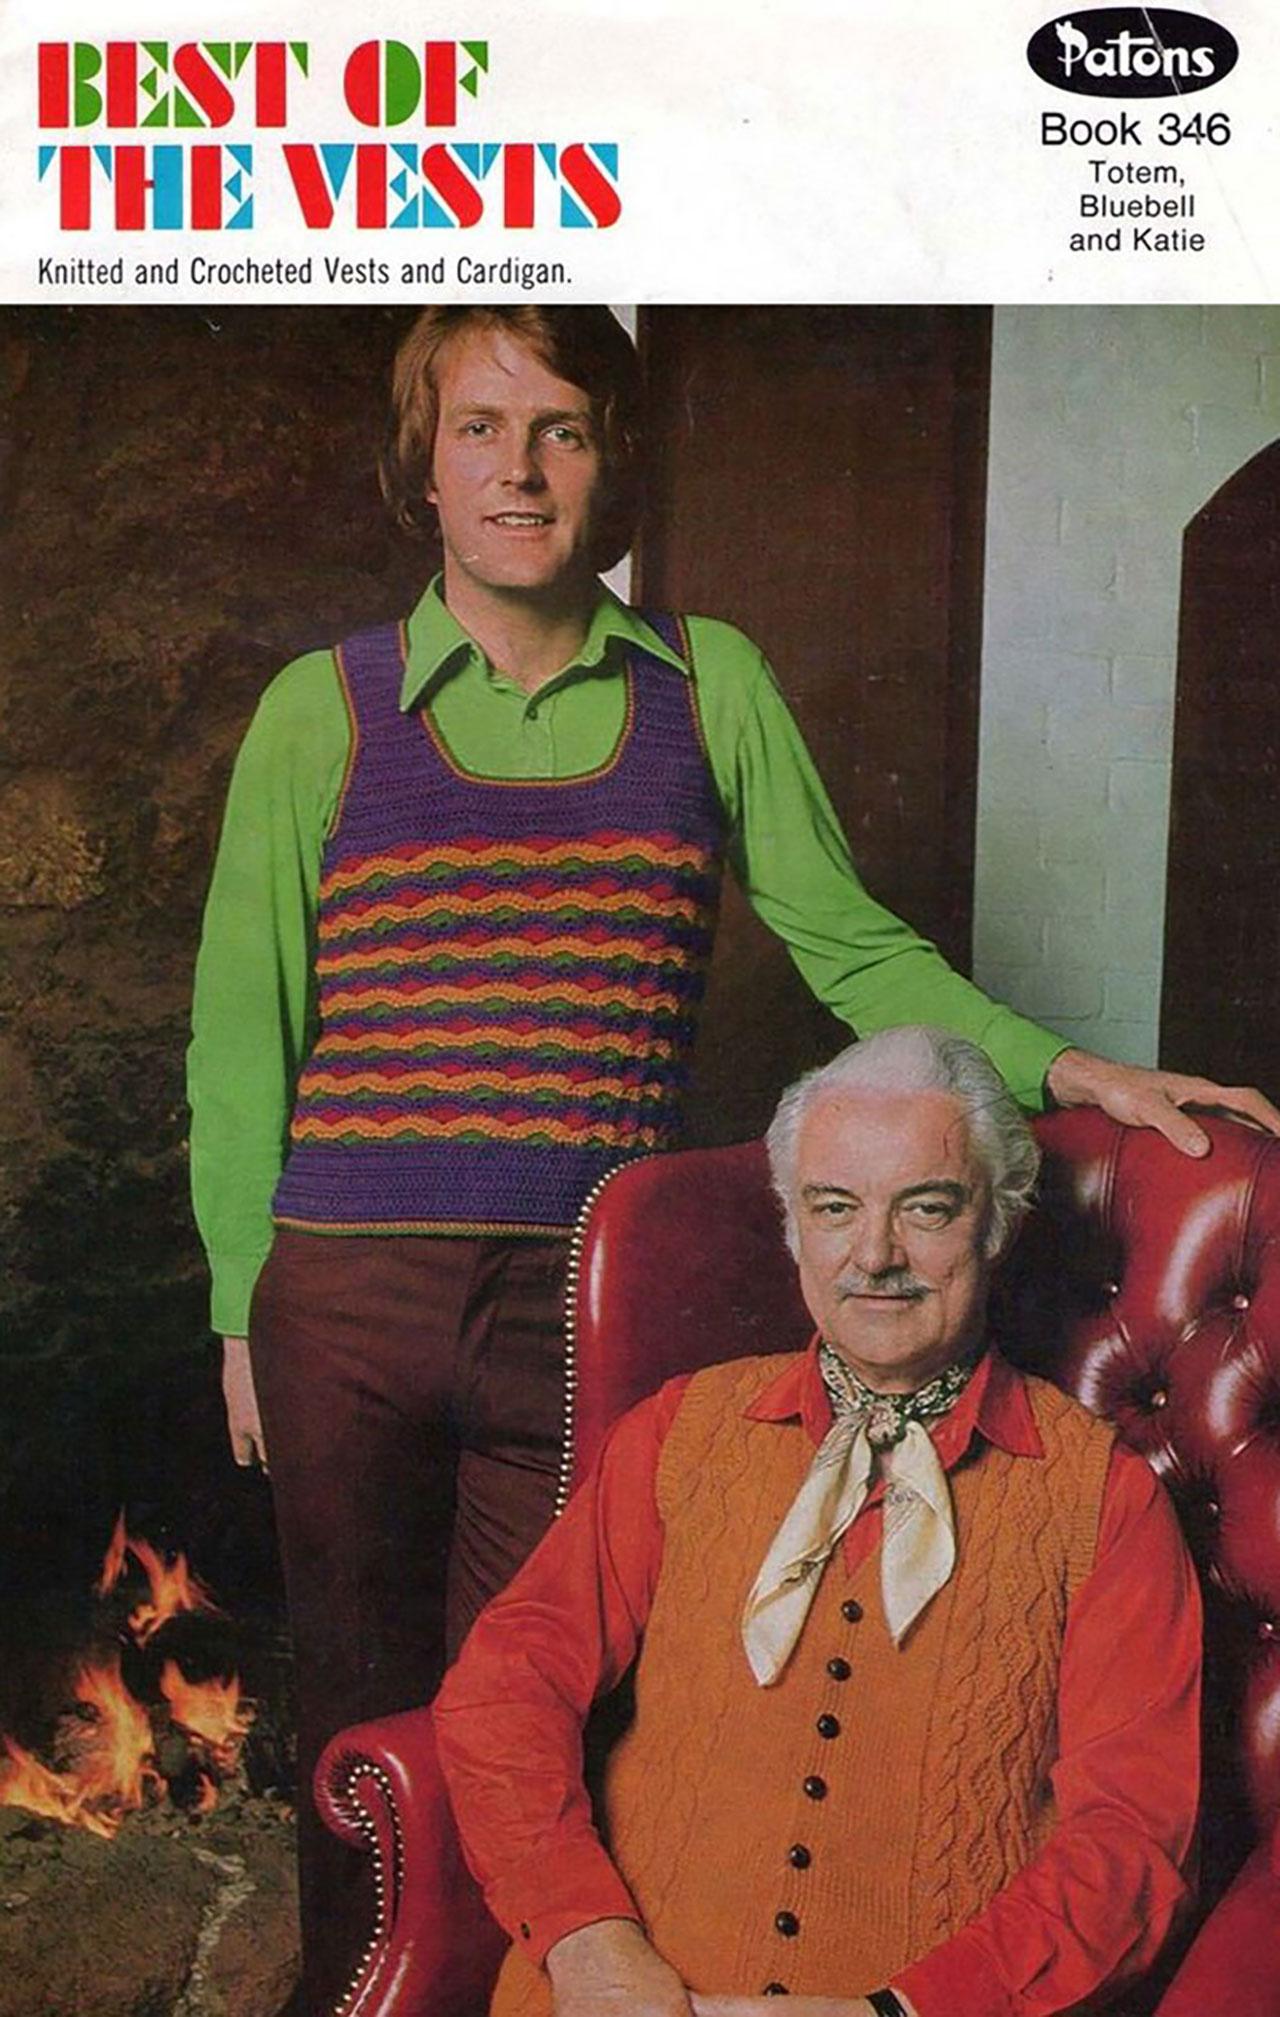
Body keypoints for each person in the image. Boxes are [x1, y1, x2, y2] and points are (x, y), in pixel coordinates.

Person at [186, 307, 1254, 2007]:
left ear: (611, 461)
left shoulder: (710, 684)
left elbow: (855, 947)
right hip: (344, 1299)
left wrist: (1074, 1068)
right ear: (424, 467)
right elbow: (245, 1032)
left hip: (575, 1306)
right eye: (478, 429)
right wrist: (243, 1306)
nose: (519, 470)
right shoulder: (322, 710)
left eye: (560, 428)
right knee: (367, 1731)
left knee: (535, 1712)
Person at [434, 1026, 1202, 2017]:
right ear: (794, 1226)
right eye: (834, 1207)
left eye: (926, 1208)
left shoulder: (1107, 1499)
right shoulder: (678, 1430)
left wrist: (898, 2011)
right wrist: (585, 1940)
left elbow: (1131, 1840)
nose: (873, 1256)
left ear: (997, 1224)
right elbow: (505, 1689)